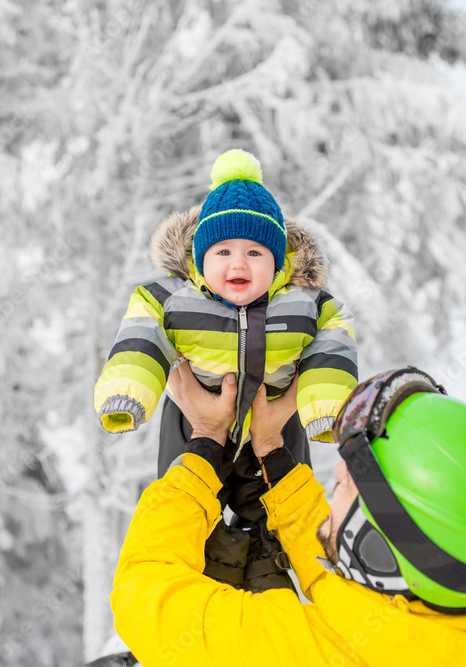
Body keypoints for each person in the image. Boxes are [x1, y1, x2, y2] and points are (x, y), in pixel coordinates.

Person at [110, 363, 466, 666]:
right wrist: (271, 452)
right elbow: (352, 588)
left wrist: (205, 441)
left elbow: (144, 595)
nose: (337, 469)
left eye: (347, 484)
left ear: (377, 552)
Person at [94, 148, 358, 591]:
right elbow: (143, 331)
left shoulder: (304, 302)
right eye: (223, 251)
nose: (238, 263)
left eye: (256, 251)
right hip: (192, 425)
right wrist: (130, 388)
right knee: (192, 512)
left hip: (277, 425)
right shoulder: (174, 297)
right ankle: (206, 587)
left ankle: (269, 588)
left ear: (278, 263)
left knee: (278, 522)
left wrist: (326, 405)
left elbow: (331, 342)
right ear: (199, 259)